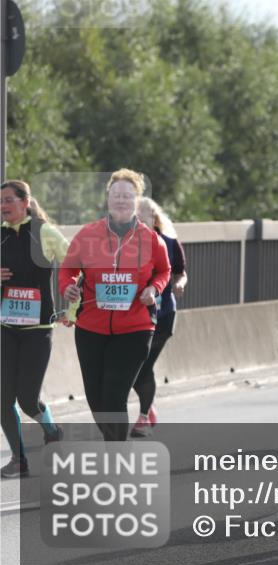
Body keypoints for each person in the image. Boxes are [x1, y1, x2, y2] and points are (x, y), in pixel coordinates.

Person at [58, 169, 171, 442]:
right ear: (108, 198)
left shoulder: (151, 239)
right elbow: (67, 270)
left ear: (136, 200)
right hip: (90, 327)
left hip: (135, 327)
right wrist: (68, 287)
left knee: (113, 396)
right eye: (116, 194)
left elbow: (164, 271)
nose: (121, 200)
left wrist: (153, 289)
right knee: (96, 400)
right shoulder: (88, 234)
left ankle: (116, 458)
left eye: (128, 195)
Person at [1, 180, 68, 477]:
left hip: (38, 328)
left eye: (8, 200)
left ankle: (52, 430)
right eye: (0, 202)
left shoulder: (44, 232)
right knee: (2, 399)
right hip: (6, 326)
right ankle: (20, 460)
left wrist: (73, 304)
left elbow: (75, 266)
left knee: (28, 399)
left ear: (25, 202)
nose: (3, 206)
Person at [129, 198, 188, 437]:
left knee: (144, 365)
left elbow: (181, 273)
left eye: (144, 217)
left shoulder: (170, 243)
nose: (140, 221)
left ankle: (143, 417)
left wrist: (180, 285)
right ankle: (148, 407)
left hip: (163, 315)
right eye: (136, 217)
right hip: (134, 316)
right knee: (132, 367)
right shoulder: (126, 245)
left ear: (154, 219)